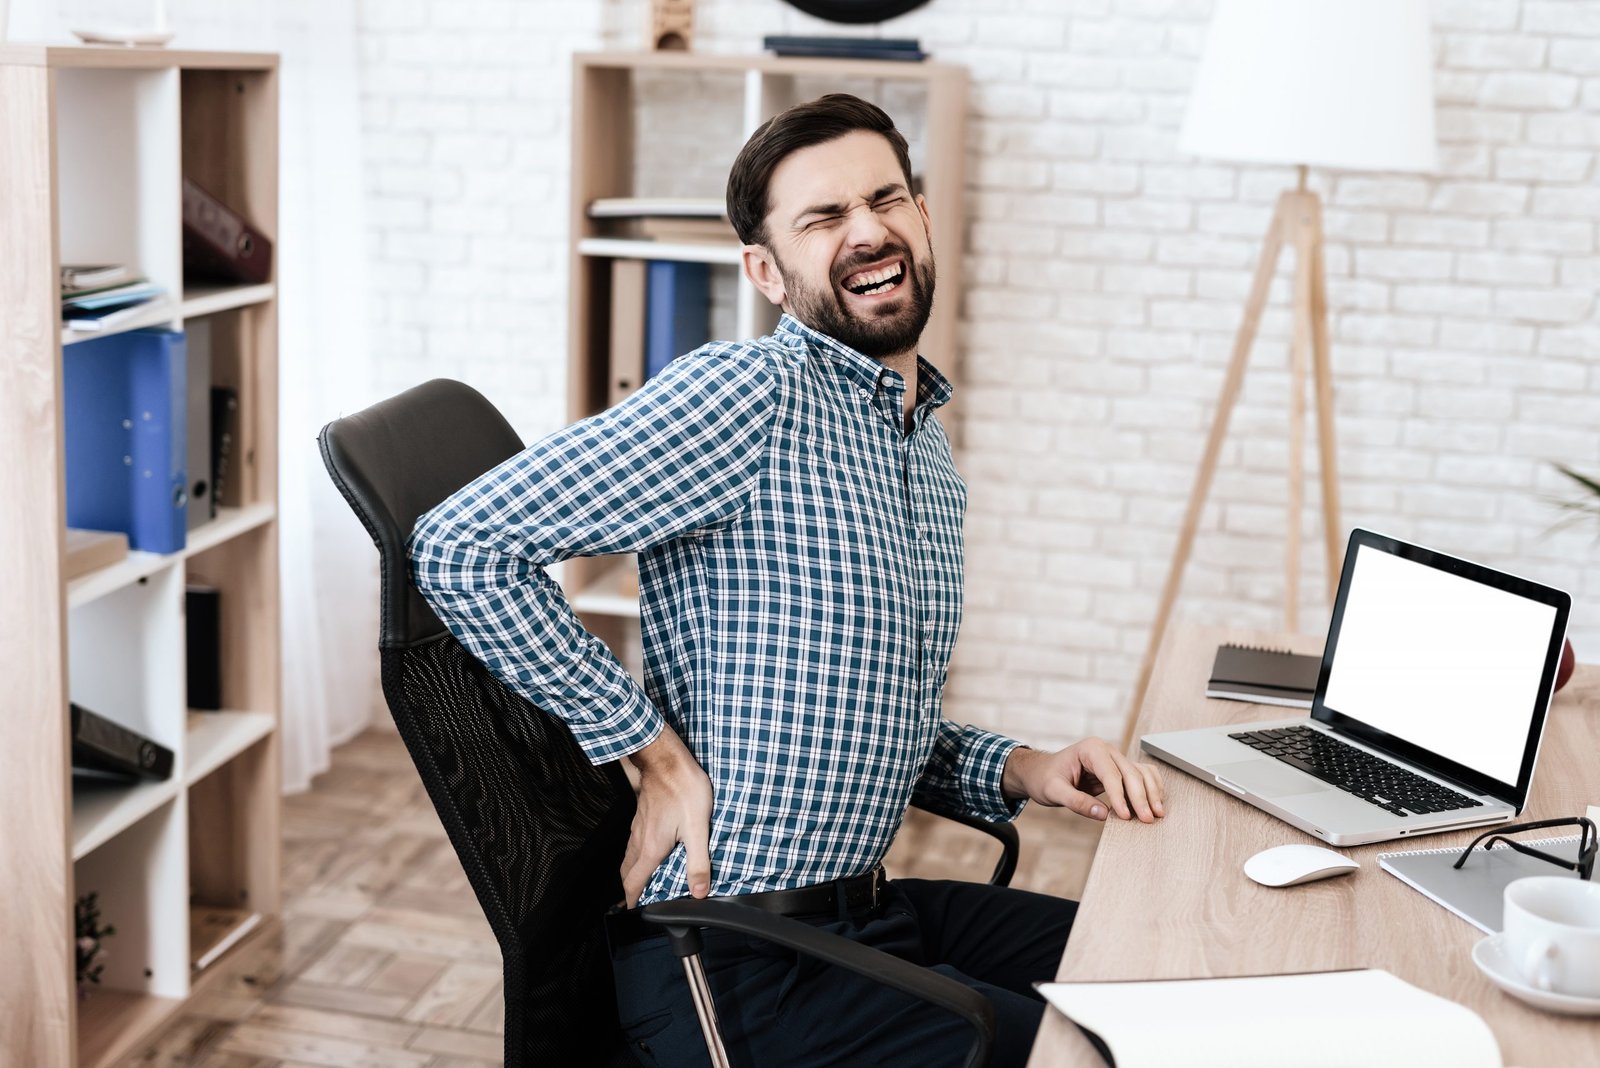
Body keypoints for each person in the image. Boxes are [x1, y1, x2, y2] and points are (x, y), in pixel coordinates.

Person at [409, 93, 1166, 1067]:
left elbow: (860, 718)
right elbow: (462, 542)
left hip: (865, 906)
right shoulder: (745, 397)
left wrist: (1026, 768)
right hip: (738, 954)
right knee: (1090, 1058)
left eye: (885, 197)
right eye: (822, 217)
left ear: (922, 217)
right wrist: (651, 750)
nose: (867, 229)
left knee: (1160, 969)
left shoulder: (922, 450)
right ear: (766, 272)